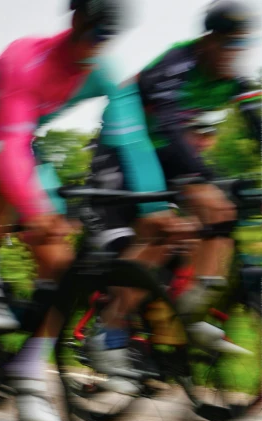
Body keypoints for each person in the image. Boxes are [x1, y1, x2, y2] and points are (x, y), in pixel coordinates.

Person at [0, 0, 159, 421]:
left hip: (19, 140)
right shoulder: (26, 57)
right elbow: (12, 150)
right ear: (75, 20)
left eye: (107, 36)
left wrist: (154, 207)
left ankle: (25, 368)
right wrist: (37, 208)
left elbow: (135, 143)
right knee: (7, 171)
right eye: (93, 31)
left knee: (61, 265)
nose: (97, 45)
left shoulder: (105, 70)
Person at [87, 0, 261, 393]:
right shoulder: (177, 64)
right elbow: (167, 123)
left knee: (223, 211)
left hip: (168, 149)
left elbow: (258, 123)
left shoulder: (237, 79)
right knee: (162, 227)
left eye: (242, 45)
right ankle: (108, 328)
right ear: (206, 42)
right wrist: (201, 178)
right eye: (227, 45)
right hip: (125, 144)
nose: (234, 54)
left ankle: (189, 309)